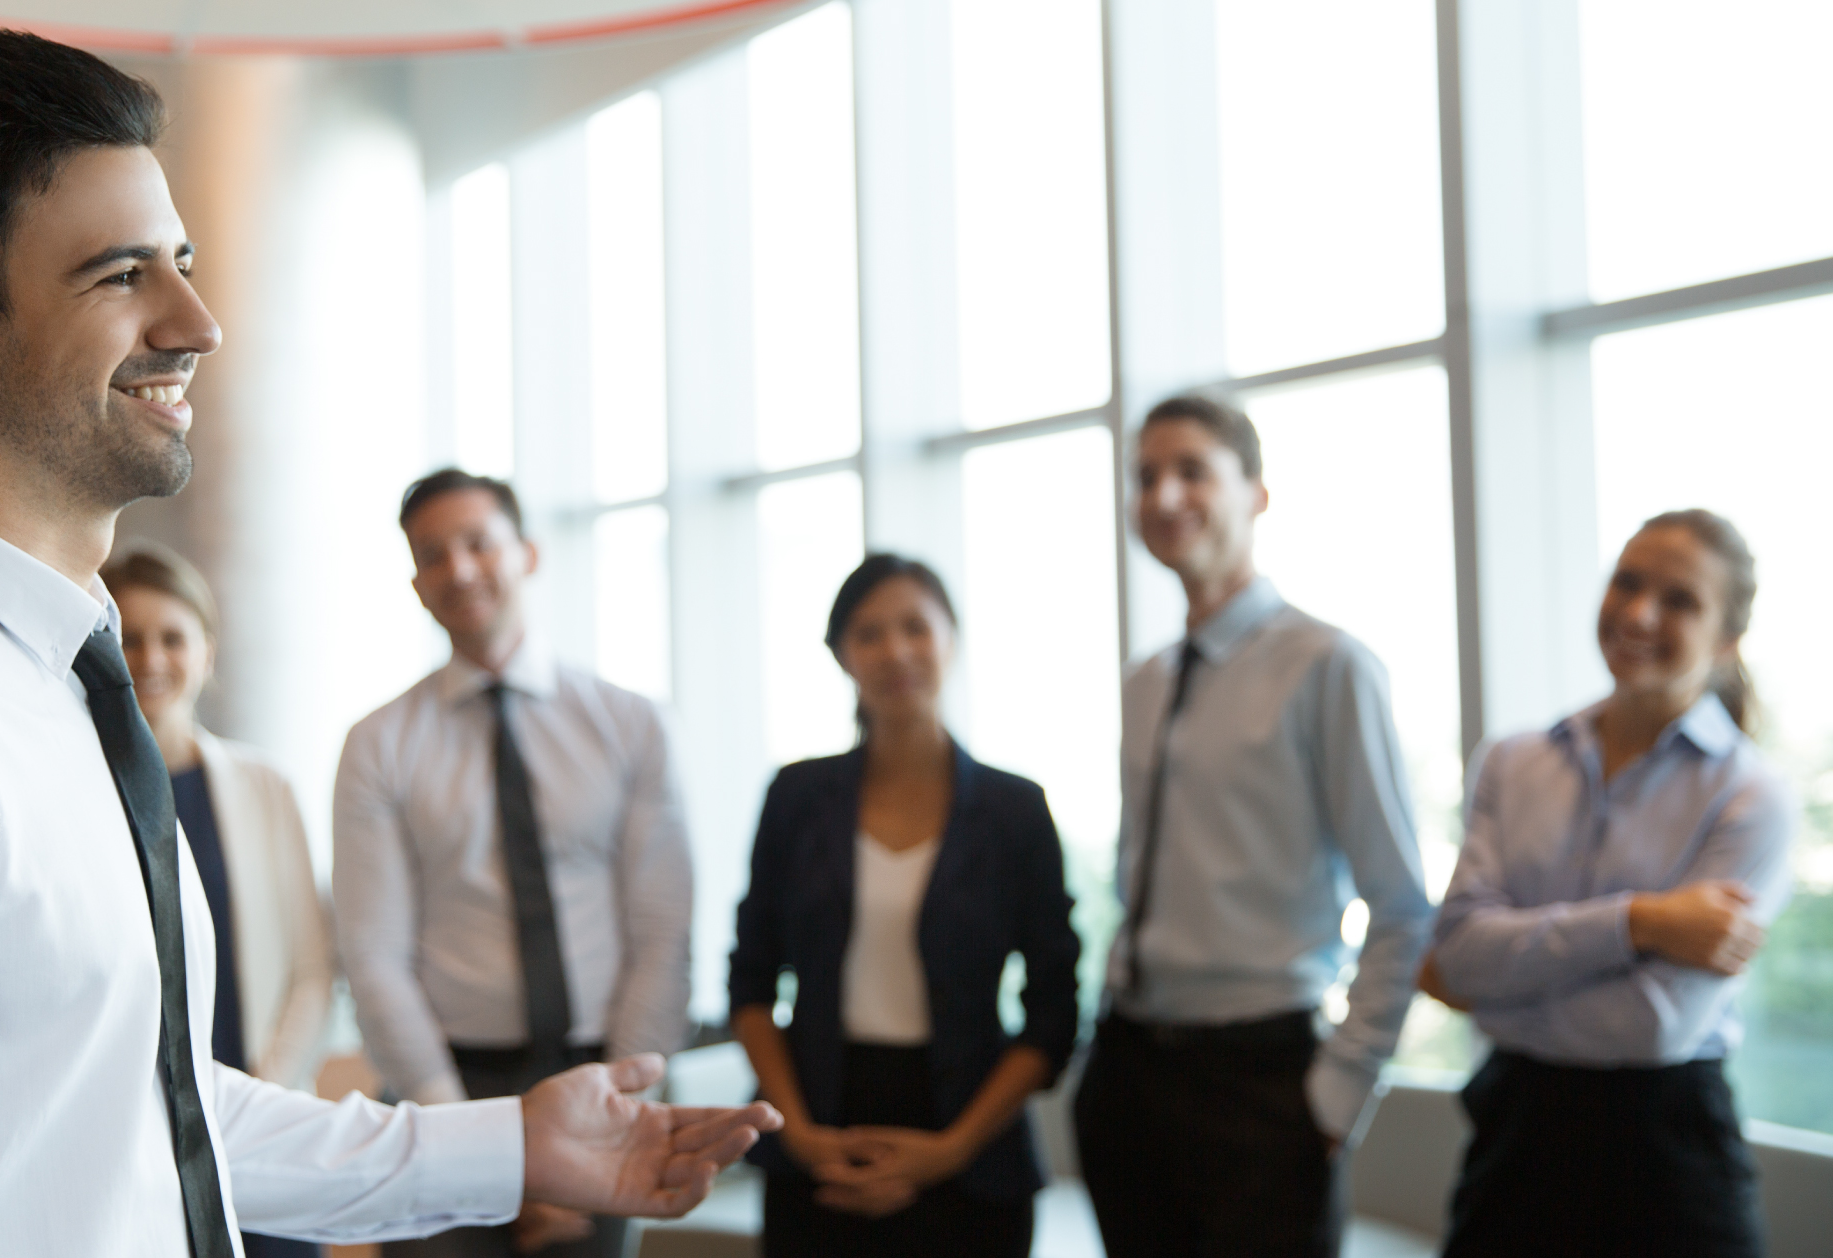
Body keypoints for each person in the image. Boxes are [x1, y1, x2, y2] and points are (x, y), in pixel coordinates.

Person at [0, 29, 774, 1258]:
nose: (198, 320)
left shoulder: (38, 677)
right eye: (121, 273)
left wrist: (515, 1148)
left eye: (181, 260)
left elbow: (148, 1113)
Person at [1072, 393, 1435, 1257]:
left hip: (1261, 1077)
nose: (1163, 496)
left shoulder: (1328, 665)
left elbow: (1403, 903)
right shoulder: (1147, 681)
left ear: (1257, 492)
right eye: (1145, 476)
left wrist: (1339, 1092)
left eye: (1192, 470)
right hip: (1128, 1067)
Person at [332, 468, 694, 1258]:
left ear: (526, 553)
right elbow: (374, 955)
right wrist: (470, 1146)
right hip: (443, 1096)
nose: (458, 570)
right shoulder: (379, 744)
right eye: (433, 555)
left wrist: (623, 1104)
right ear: (417, 583)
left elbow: (663, 931)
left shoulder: (629, 725)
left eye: (477, 544)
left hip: (603, 1082)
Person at [1420, 509, 1791, 1258]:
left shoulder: (1752, 796)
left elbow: (1654, 1024)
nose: (1639, 612)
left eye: (1680, 600)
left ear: (1727, 640)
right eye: (1626, 581)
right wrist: (1642, 923)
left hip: (1668, 1158)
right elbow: (1458, 954)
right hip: (1514, 1141)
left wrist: (1502, 990)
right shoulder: (1513, 761)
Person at [729, 554, 1081, 1258]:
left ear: (952, 638)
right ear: (841, 655)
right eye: (869, 634)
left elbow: (1054, 1010)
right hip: (818, 1124)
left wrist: (950, 1150)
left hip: (970, 1143)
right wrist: (797, 1132)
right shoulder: (797, 798)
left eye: (916, 628)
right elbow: (751, 981)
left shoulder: (1015, 810)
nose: (896, 652)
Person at [107, 543, 335, 1258]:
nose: (150, 657)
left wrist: (270, 1086)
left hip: (258, 1124)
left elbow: (312, 969)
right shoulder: (78, 790)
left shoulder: (266, 788)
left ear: (207, 650)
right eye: (127, 637)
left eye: (172, 637)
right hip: (127, 1140)